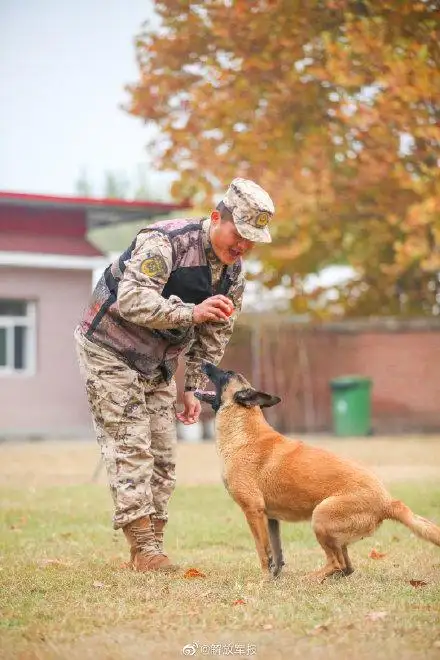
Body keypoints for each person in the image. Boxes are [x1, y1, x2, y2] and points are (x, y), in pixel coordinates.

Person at [74, 177, 275, 572]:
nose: (244, 246)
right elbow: (132, 299)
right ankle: (145, 549)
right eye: (239, 233)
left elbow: (215, 335)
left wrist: (194, 388)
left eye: (253, 240)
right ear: (217, 217)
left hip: (157, 363)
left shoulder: (233, 275)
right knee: (132, 446)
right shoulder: (164, 241)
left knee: (164, 455)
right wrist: (190, 312)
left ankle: (152, 545)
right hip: (109, 350)